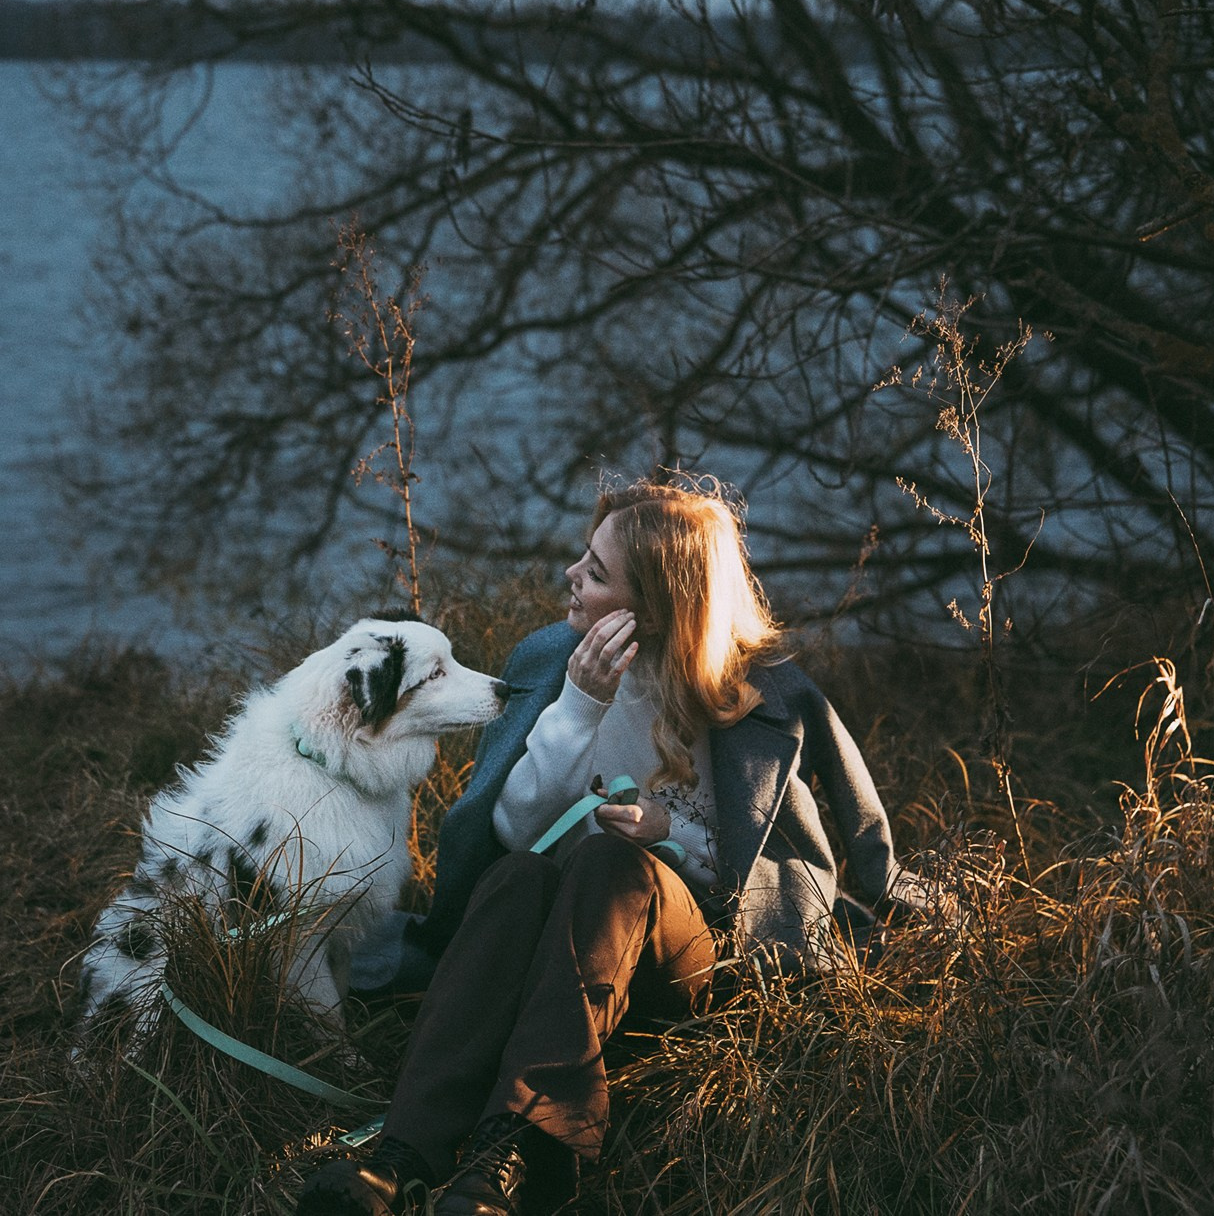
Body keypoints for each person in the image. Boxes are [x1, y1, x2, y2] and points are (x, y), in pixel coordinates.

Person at [298, 476, 944, 1216]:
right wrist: (579, 707)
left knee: (614, 863)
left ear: (662, 604)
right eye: (584, 556)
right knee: (514, 877)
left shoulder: (759, 696)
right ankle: (400, 1157)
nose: (570, 577)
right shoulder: (556, 662)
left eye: (597, 573)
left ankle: (519, 1154)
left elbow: (813, 855)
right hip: (564, 948)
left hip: (693, 964)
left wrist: (673, 835)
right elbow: (510, 830)